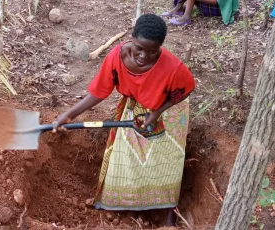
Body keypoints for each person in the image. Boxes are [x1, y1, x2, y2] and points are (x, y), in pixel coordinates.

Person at [53, 14, 196, 226]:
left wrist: (158, 112)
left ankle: (169, 210)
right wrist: (69, 114)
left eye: (152, 51)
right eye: (139, 48)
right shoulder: (116, 58)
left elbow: (186, 89)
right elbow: (100, 92)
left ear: (161, 47)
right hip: (136, 110)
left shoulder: (172, 67)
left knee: (166, 162)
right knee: (128, 158)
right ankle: (130, 204)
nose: (143, 56)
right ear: (132, 38)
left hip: (168, 112)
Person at [161, 0, 238, 26]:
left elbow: (217, 2)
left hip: (218, 9)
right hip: (205, 6)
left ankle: (186, 18)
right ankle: (177, 9)